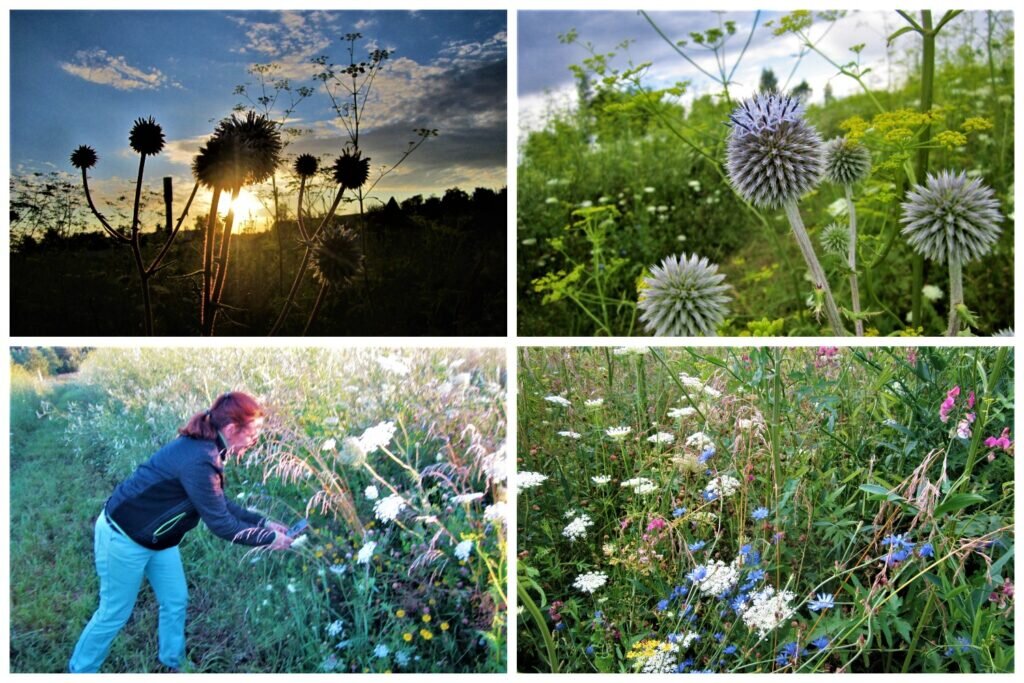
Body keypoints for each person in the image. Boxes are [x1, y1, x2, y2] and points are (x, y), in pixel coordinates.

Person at [69, 392, 293, 673]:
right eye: (253, 435)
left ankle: (173, 663)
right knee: (114, 613)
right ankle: (80, 670)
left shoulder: (207, 447)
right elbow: (221, 524)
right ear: (232, 429)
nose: (254, 442)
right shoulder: (200, 458)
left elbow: (217, 501)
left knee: (175, 601)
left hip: (159, 540)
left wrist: (262, 523)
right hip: (122, 537)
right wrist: (270, 539)